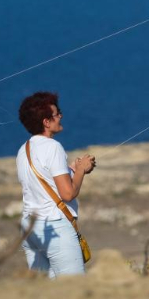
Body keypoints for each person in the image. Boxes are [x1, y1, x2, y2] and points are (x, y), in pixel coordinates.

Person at [16, 92, 95, 278]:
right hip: (55, 226)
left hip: (30, 226)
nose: (60, 116)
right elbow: (67, 194)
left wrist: (72, 171)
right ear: (46, 122)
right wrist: (82, 171)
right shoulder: (53, 147)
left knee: (44, 290)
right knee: (74, 288)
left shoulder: (24, 149)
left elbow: (45, 179)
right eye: (56, 113)